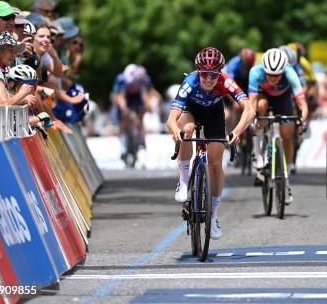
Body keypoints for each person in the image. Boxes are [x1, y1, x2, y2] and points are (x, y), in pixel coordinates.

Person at [167, 47, 254, 240]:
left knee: (215, 163)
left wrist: (237, 131)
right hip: (191, 110)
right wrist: (176, 131)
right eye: (205, 74)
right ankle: (182, 181)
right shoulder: (189, 82)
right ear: (199, 72)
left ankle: (213, 215)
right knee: (187, 129)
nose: (208, 79)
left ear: (220, 73)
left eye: (213, 75)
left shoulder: (226, 82)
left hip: (214, 113)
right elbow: (172, 117)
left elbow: (249, 109)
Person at [249, 48, 309, 201]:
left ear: (283, 70)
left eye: (277, 75)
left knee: (288, 135)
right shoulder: (256, 72)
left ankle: (286, 176)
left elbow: (302, 103)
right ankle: (257, 153)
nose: (273, 78)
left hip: (283, 99)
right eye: (269, 74)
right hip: (263, 96)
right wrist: (252, 118)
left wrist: (303, 119)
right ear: (264, 70)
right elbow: (252, 102)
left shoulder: (290, 73)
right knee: (260, 107)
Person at [113, 64, 153, 162]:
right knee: (124, 116)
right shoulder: (122, 79)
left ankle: (141, 136)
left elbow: (147, 94)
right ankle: (121, 140)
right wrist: (124, 109)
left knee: (142, 111)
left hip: (136, 97)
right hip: (125, 96)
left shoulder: (146, 79)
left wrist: (148, 106)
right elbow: (119, 96)